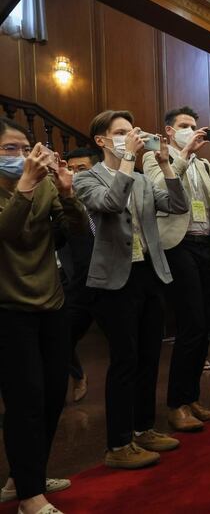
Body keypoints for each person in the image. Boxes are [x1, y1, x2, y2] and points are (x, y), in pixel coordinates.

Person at [73, 110, 188, 469]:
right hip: (114, 281)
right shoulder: (86, 178)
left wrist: (167, 165)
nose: (130, 137)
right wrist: (125, 160)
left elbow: (178, 204)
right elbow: (109, 204)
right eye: (121, 132)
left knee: (150, 356)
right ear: (102, 140)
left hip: (148, 274)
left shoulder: (141, 178)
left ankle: (144, 428)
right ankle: (118, 444)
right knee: (125, 360)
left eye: (132, 131)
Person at [0, 118, 86, 514]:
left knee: (53, 395)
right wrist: (24, 187)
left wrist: (67, 195)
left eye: (23, 148)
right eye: (9, 149)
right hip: (9, 308)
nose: (20, 156)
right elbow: (9, 234)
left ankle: (25, 475)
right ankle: (30, 497)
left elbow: (73, 233)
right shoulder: (21, 186)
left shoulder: (47, 184)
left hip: (51, 302)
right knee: (25, 400)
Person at [143, 106, 210, 432]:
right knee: (191, 324)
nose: (192, 129)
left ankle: (192, 398)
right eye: (184, 125)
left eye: (194, 126)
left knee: (207, 324)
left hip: (205, 246)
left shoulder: (203, 163)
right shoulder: (154, 156)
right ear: (169, 131)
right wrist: (183, 153)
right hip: (178, 245)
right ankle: (175, 405)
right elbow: (159, 188)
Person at [60, 147, 102, 403]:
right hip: (76, 282)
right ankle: (77, 374)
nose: (74, 175)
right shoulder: (60, 200)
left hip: (109, 278)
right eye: (71, 169)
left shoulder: (103, 197)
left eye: (81, 169)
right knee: (61, 336)